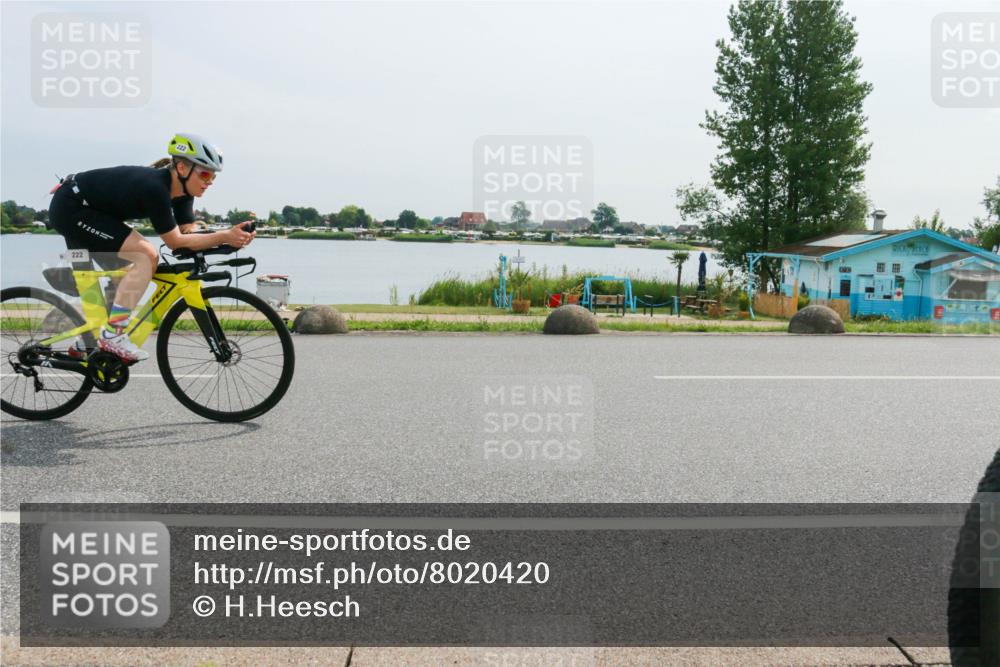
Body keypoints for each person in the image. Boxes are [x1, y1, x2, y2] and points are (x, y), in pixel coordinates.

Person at [48, 133, 255, 363]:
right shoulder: (155, 188)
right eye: (205, 174)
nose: (209, 182)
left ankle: (90, 340)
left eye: (213, 177)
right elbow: (175, 242)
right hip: (71, 208)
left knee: (129, 272)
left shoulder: (184, 194)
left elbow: (189, 234)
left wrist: (230, 237)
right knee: (145, 256)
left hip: (90, 211)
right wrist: (224, 236)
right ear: (183, 168)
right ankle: (112, 335)